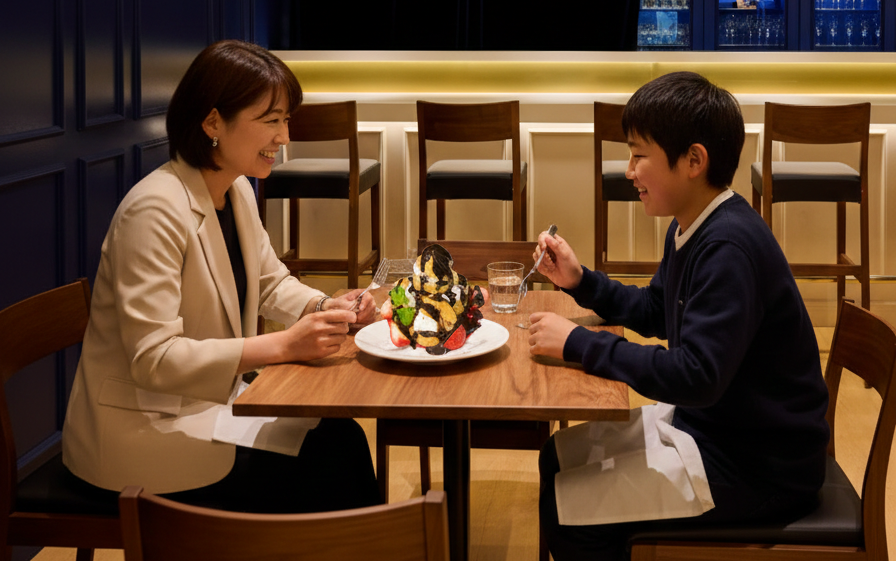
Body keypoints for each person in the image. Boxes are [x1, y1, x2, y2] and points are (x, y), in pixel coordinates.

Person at [62, 39, 382, 514]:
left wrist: (324, 306)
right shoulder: (153, 211)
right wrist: (284, 345)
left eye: (286, 119)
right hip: (142, 431)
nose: (284, 136)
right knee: (328, 460)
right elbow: (154, 359)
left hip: (205, 407)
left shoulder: (236, 191)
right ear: (212, 122)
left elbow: (270, 282)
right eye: (270, 120)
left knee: (339, 437)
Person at [528, 71, 829, 560]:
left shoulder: (729, 247)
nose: (629, 171)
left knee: (569, 512)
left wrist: (578, 343)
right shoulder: (692, 224)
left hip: (758, 464)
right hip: (713, 429)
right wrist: (581, 281)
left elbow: (697, 376)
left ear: (693, 160)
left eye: (638, 155)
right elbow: (657, 309)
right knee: (554, 459)